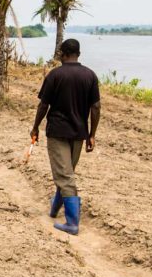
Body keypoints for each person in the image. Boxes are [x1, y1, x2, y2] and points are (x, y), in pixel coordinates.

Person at [30, 38, 101, 236]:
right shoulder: (90, 76)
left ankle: (72, 223)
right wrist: (92, 134)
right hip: (79, 134)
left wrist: (35, 127)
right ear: (79, 53)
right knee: (66, 173)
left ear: (62, 53)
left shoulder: (55, 75)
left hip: (58, 133)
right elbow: (96, 107)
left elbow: (43, 105)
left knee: (65, 176)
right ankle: (54, 208)